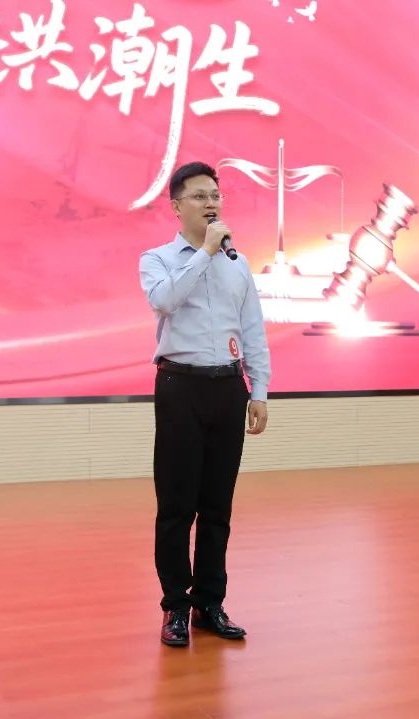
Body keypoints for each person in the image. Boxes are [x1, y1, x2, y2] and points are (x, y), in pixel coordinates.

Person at [138, 161, 272, 647]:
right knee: (177, 505)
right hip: (180, 387)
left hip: (227, 388)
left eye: (215, 195)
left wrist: (259, 390)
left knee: (218, 505)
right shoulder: (157, 259)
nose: (210, 203)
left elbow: (252, 328)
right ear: (176, 207)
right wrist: (204, 253)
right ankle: (175, 605)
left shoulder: (238, 264)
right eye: (199, 196)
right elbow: (165, 301)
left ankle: (209, 603)